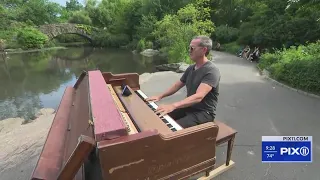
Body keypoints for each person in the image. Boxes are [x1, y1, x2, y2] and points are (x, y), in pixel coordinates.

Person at [146, 35, 221, 128]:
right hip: (189, 107)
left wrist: (173, 105)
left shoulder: (211, 70)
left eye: (192, 48)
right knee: (158, 116)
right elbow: (177, 85)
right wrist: (160, 96)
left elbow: (199, 96)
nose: (189, 50)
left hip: (204, 113)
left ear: (204, 50)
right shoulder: (191, 68)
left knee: (171, 129)